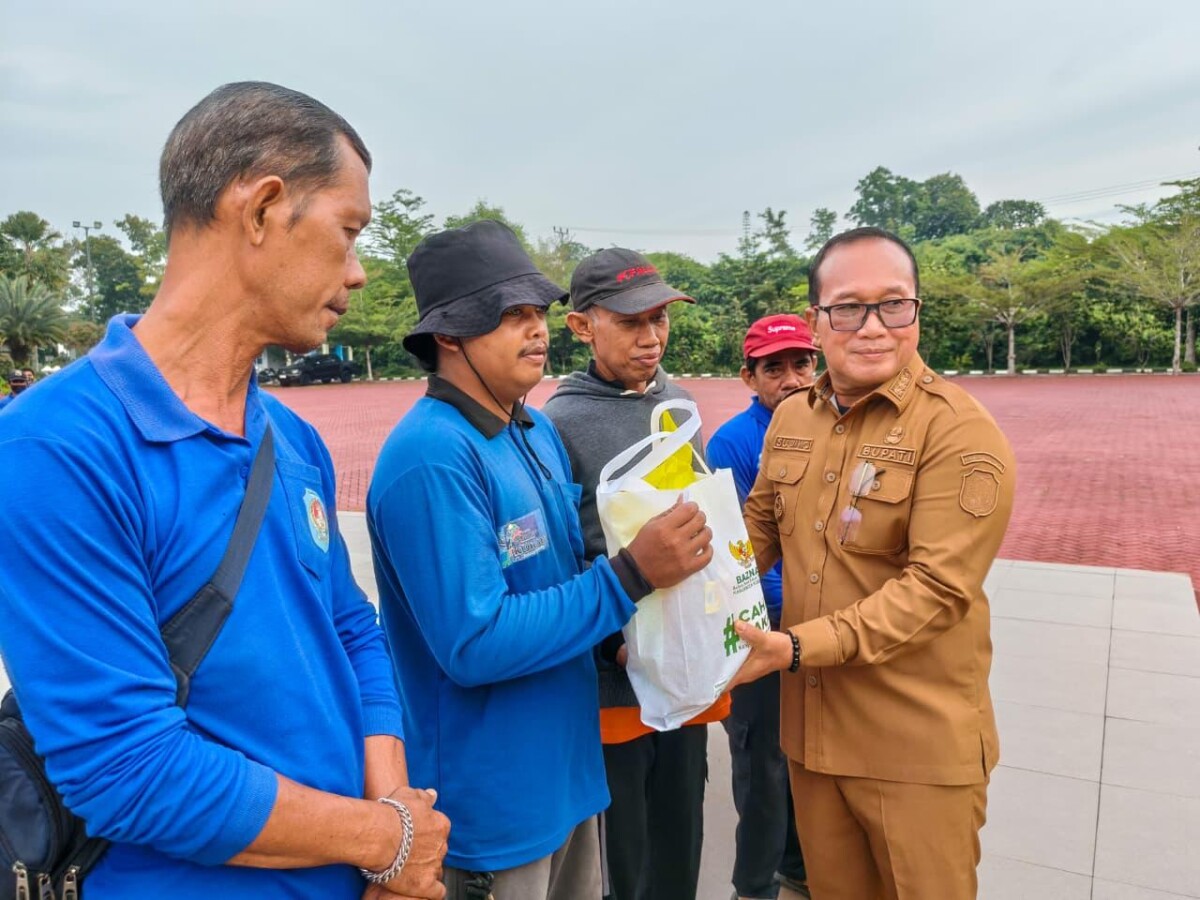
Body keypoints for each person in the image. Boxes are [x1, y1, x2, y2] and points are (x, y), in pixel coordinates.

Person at [0, 82, 449, 899]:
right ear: (263, 208)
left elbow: (352, 627)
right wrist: (384, 836)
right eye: (348, 233)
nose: (357, 272)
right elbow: (129, 769)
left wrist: (394, 822)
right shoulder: (55, 447)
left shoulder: (291, 435)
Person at [367, 221, 714, 900]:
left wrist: (629, 639)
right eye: (511, 316)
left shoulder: (531, 430)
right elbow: (476, 641)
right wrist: (632, 576)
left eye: (538, 313)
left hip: (569, 781)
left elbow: (560, 584)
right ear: (448, 335)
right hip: (490, 808)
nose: (536, 330)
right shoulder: (432, 456)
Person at [731, 227, 1016, 900]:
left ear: (917, 311)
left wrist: (793, 647)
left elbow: (936, 591)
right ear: (817, 320)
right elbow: (757, 532)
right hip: (813, 739)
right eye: (848, 308)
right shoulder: (793, 418)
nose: (873, 327)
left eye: (895, 305)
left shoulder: (958, 433)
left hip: (912, 747)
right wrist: (673, 579)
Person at [542, 248, 728, 900]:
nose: (651, 338)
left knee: (681, 848)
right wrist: (607, 642)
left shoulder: (679, 405)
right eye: (631, 322)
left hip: (686, 677)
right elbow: (560, 559)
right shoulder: (557, 423)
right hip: (614, 688)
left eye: (660, 320)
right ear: (582, 326)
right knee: (625, 863)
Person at [706, 314, 816, 900]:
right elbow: (741, 550)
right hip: (763, 623)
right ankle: (755, 884)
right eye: (774, 368)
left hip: (822, 626)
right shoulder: (734, 443)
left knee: (810, 749)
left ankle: (799, 864)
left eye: (802, 363)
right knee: (762, 761)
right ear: (749, 377)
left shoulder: (835, 429)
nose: (792, 378)